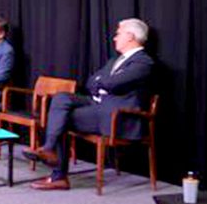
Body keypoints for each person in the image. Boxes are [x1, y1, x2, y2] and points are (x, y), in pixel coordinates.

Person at [26, 18, 155, 191]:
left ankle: (58, 173)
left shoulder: (143, 62)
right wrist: (104, 82)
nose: (115, 38)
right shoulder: (115, 60)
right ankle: (50, 151)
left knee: (62, 118)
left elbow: (112, 83)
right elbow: (91, 81)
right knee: (61, 98)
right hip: (97, 104)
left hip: (116, 115)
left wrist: (103, 81)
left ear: (130, 36)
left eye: (118, 34)